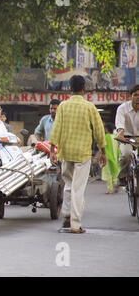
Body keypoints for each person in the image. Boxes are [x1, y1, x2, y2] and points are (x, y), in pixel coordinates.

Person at [49, 75, 106, 234]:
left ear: (69, 88)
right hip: (82, 153)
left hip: (65, 152)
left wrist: (52, 149)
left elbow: (56, 128)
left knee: (68, 184)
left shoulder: (63, 106)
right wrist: (103, 151)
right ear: (84, 88)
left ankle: (67, 214)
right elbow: (99, 131)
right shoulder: (89, 107)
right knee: (78, 188)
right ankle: (75, 224)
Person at [114, 84, 139, 186]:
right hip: (126, 139)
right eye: (135, 95)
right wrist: (120, 134)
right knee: (126, 154)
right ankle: (122, 176)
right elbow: (120, 125)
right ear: (130, 96)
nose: (138, 98)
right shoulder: (122, 108)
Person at [102, 122, 120, 194]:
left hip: (108, 158)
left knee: (108, 173)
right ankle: (116, 184)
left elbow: (103, 147)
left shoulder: (106, 137)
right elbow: (118, 148)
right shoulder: (115, 137)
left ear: (106, 129)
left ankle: (110, 189)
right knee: (115, 173)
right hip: (115, 158)